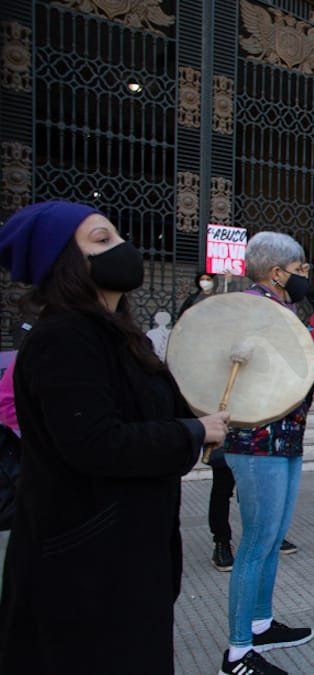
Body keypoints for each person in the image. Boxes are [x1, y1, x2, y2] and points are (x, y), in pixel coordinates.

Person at [0, 201, 229, 672]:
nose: (123, 248)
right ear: (66, 262)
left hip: (126, 558)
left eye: (118, 237)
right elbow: (96, 443)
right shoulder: (62, 337)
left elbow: (163, 410)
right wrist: (191, 432)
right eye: (102, 241)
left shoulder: (124, 337)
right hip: (83, 570)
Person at [217, 232, 314, 675]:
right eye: (300, 271)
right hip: (257, 443)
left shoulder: (282, 308)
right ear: (277, 273)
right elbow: (270, 378)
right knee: (257, 543)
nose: (305, 278)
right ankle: (237, 652)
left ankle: (260, 624)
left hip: (284, 439)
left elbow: (292, 377)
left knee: (272, 539)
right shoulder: (253, 310)